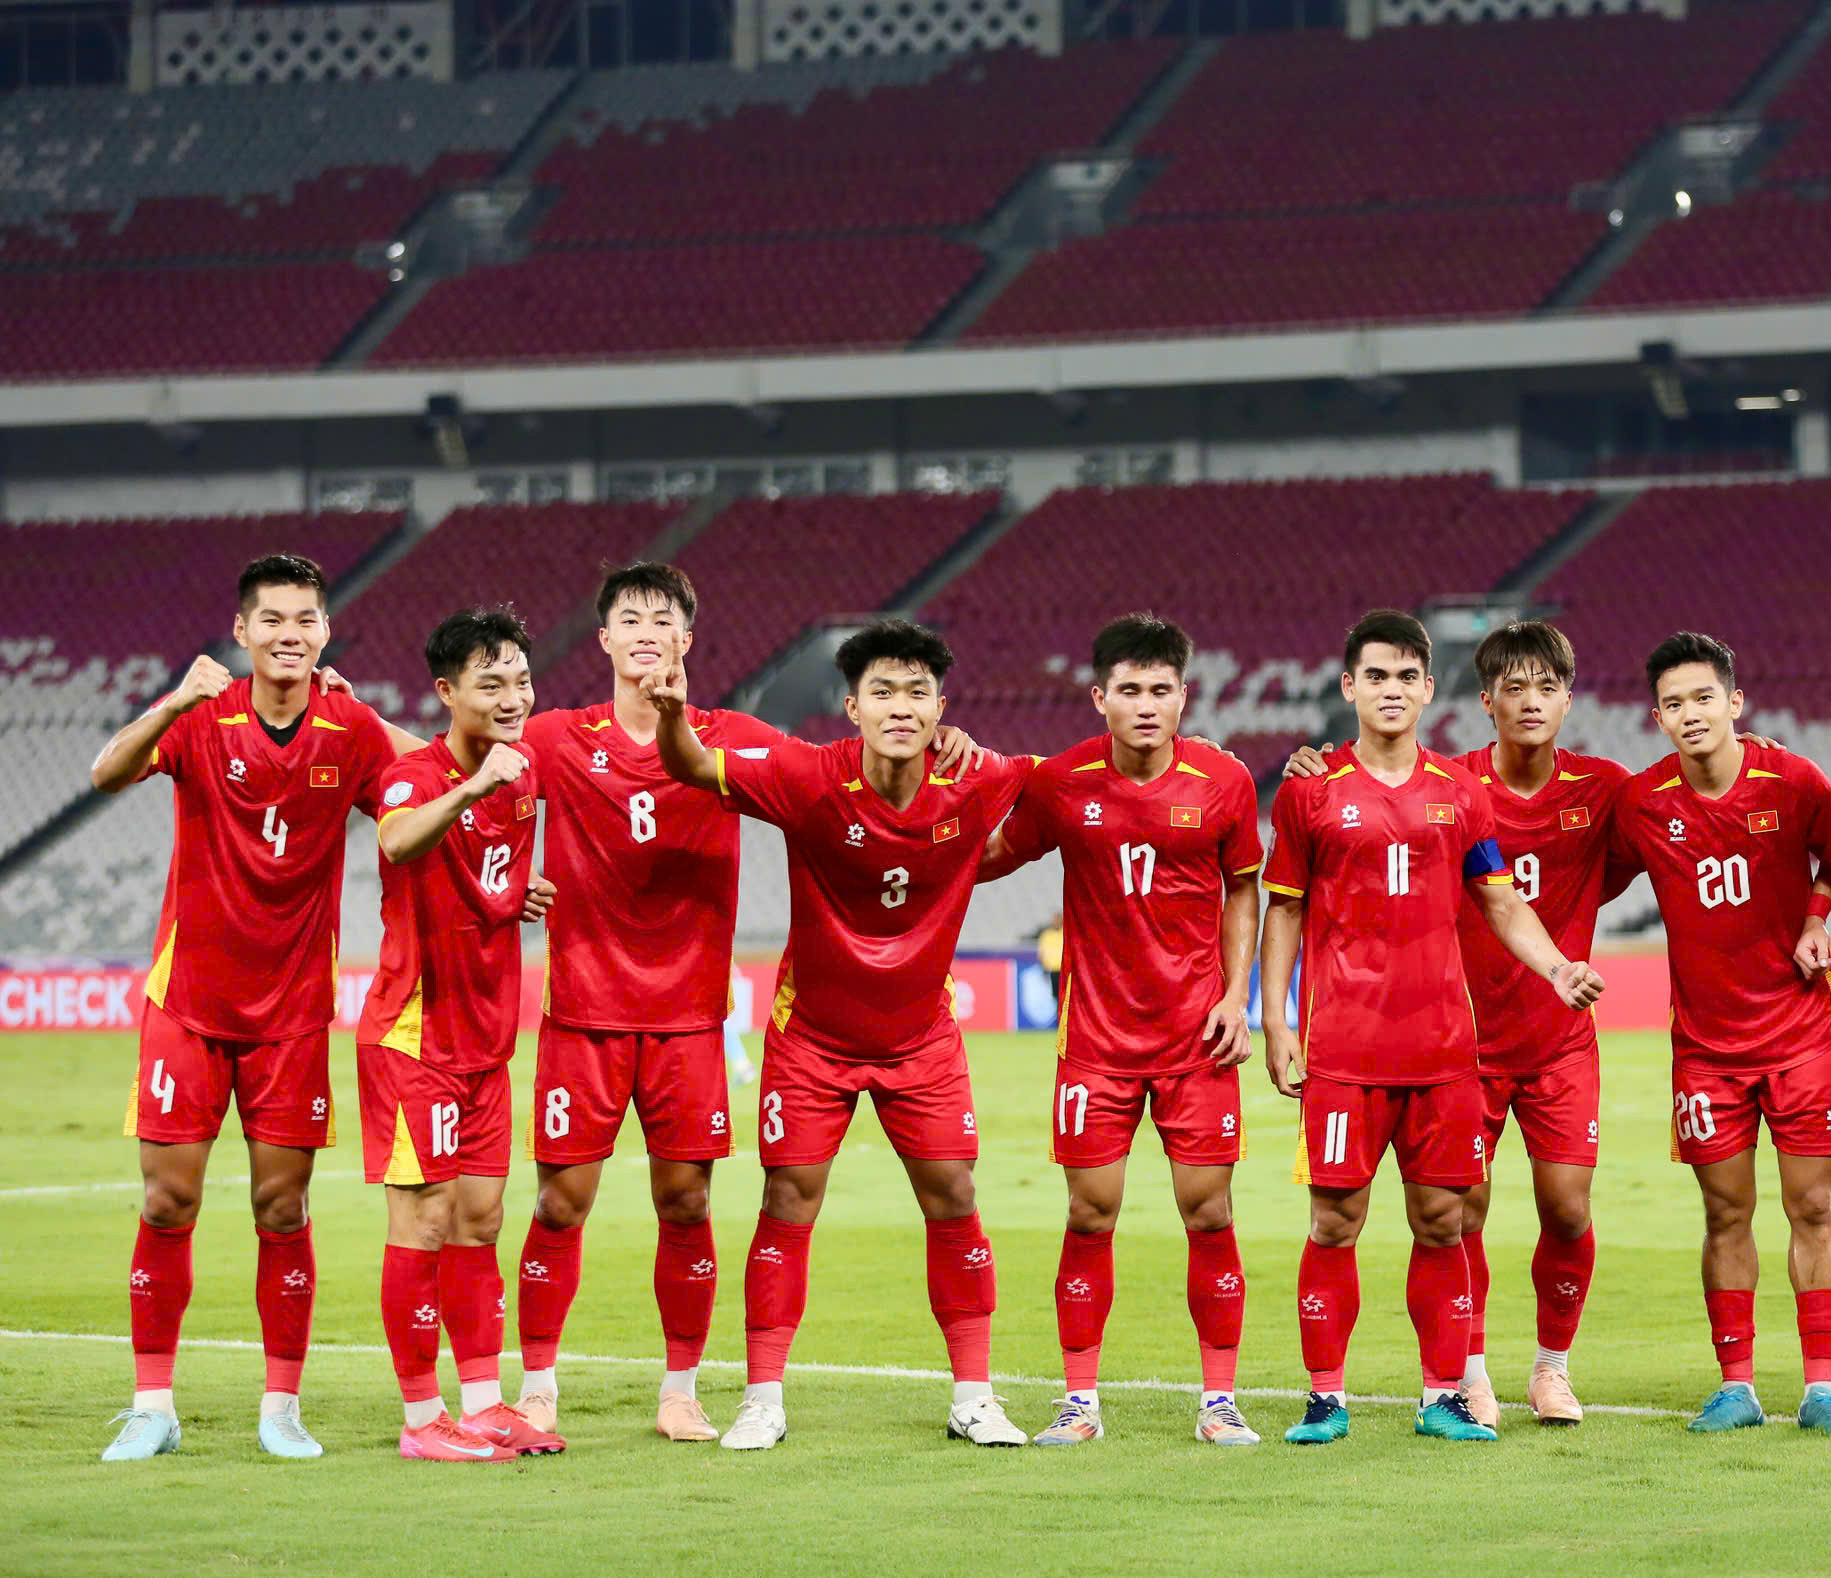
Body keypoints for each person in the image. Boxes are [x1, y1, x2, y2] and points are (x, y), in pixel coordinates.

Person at [650, 618, 1036, 1450]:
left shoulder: (980, 778)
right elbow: (687, 765)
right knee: (788, 1200)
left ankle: (974, 1395)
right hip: (813, 1039)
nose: (902, 708)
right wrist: (676, 715)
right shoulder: (804, 776)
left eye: (918, 693)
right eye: (884, 693)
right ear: (853, 706)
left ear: (942, 707)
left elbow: (1074, 785)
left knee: (956, 1198)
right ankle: (763, 1397)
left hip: (921, 1039)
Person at [1260, 609, 1605, 1446]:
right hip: (1343, 1048)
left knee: (1442, 1222)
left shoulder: (1462, 793)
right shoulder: (1310, 791)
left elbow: (1497, 898)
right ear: (1349, 687)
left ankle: (1444, 1396)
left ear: (1428, 688)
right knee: (1333, 1222)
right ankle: (1326, 1398)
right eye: (1374, 675)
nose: (1390, 689)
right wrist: (1272, 1019)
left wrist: (1555, 964)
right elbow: (1284, 911)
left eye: (1406, 675)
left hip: (1447, 1050)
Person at [87, 554, 404, 1463]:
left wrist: (372, 712)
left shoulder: (349, 728)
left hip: (294, 1013)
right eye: (272, 619)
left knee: (280, 1206)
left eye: (306, 619)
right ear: (241, 632)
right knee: (166, 1200)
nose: (289, 634)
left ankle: (281, 1407)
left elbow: (431, 785)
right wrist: (175, 701)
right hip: (186, 1004)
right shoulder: (203, 719)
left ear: (326, 632)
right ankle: (153, 1405)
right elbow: (107, 773)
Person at [507, 562, 785, 1443]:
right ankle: (540, 1383)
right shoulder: (557, 736)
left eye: (662, 619)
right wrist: (511, 882)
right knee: (560, 1204)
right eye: (629, 617)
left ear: (686, 641)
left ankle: (680, 1390)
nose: (645, 630)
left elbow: (827, 779)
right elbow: (449, 769)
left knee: (688, 1205)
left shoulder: (727, 736)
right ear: (604, 640)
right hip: (582, 1013)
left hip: (689, 1018)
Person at [981, 613, 1265, 1447]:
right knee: (1091, 1213)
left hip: (1195, 1037)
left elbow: (1243, 886)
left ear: (1185, 696)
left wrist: (1235, 995)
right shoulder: (1062, 781)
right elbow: (992, 853)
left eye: (1162, 691)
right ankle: (1079, 1402)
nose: (1147, 705)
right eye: (1130, 691)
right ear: (1100, 697)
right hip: (1097, 1040)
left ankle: (1218, 1401)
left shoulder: (1224, 781)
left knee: (1207, 1211)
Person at [1610, 633, 1831, 1438]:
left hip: (1799, 1035)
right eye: (1675, 705)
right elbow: (1578, 857)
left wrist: (1819, 918)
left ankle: (1822, 1387)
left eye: (1703, 699)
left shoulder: (1792, 779)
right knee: (1725, 1215)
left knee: (1812, 1206)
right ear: (1657, 717)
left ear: (1735, 702)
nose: (1691, 715)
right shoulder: (1643, 802)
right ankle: (1737, 1384)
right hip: (1706, 1050)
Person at [358, 608, 562, 1462]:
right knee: (425, 1222)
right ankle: (419, 1419)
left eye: (520, 679)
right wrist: (475, 787)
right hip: (417, 1040)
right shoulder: (415, 778)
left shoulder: (522, 772)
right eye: (492, 684)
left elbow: (481, 872)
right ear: (448, 694)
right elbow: (399, 838)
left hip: (486, 1041)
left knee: (481, 1219)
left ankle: (482, 1402)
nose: (513, 697)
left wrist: (515, 898)